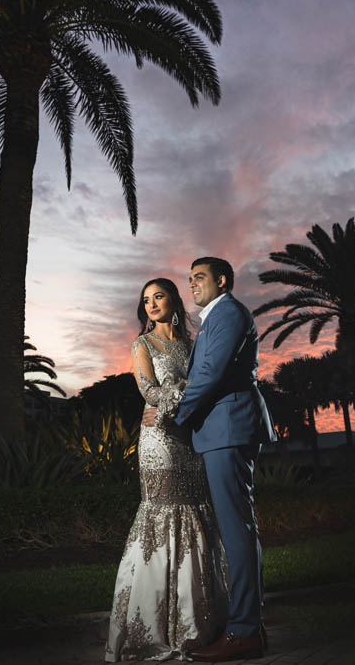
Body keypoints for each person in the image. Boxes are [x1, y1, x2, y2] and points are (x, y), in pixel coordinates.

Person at [143, 256, 276, 662]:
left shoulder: (229, 313)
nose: (193, 284)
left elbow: (210, 374)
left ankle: (244, 632)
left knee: (238, 531)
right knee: (235, 529)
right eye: (190, 279)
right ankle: (242, 624)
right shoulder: (214, 318)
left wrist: (174, 417)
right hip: (220, 430)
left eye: (199, 277)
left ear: (222, 280)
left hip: (230, 428)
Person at [105, 277, 229, 662]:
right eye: (146, 300)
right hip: (160, 444)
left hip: (192, 439)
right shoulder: (141, 344)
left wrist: (185, 396)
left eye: (158, 296)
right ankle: (152, 627)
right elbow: (148, 391)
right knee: (161, 514)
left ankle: (199, 623)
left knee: (196, 513)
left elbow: (210, 385)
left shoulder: (194, 346)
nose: (152, 304)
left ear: (174, 300)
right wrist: (183, 393)